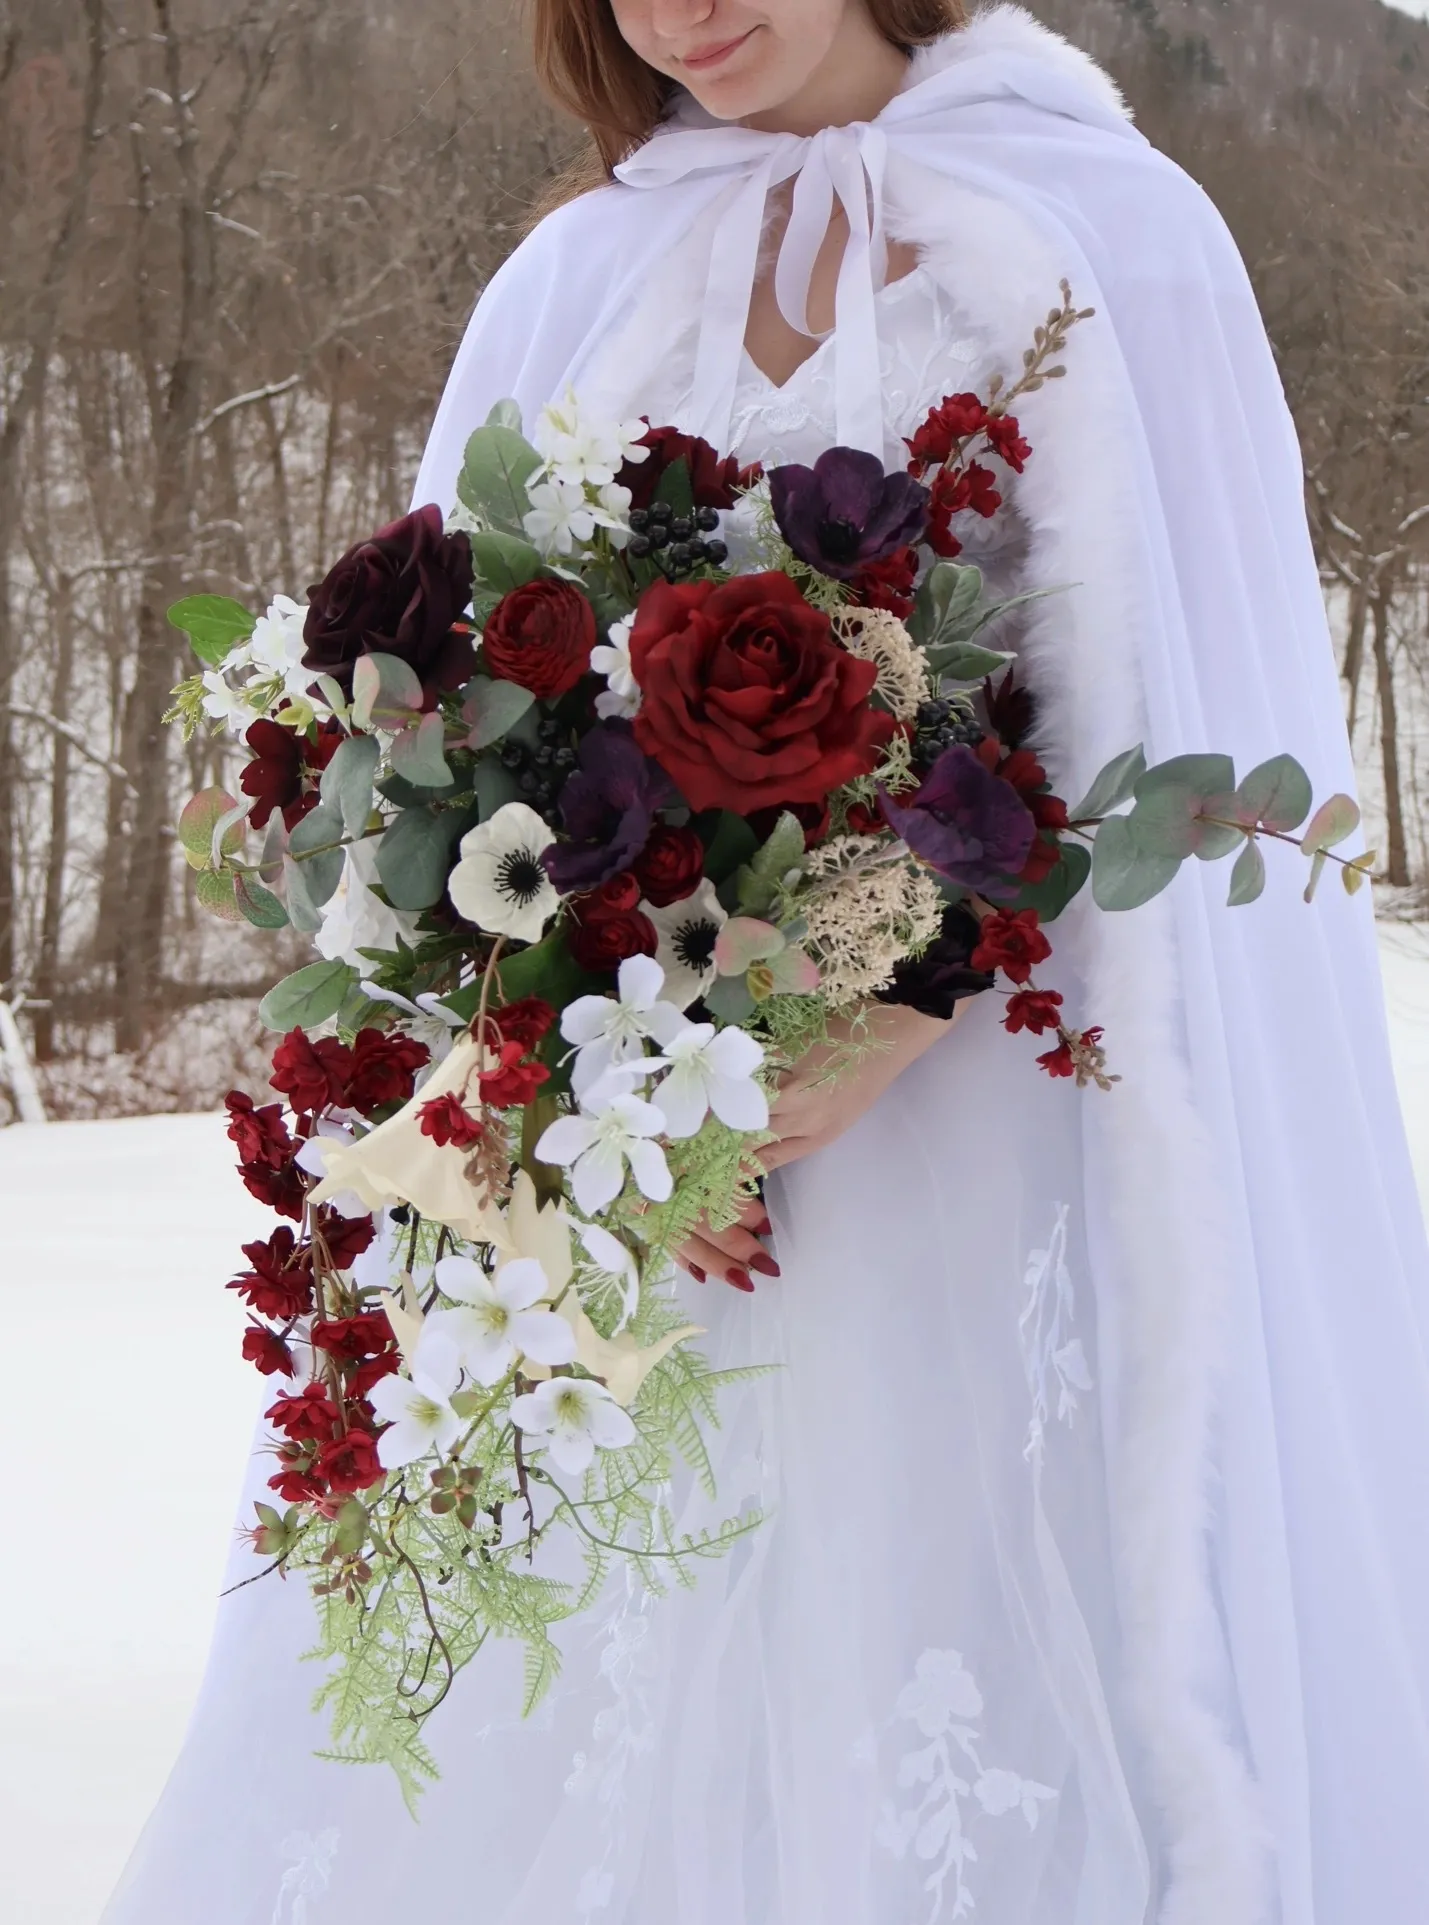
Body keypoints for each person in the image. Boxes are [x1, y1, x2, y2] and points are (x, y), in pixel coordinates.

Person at [103, 5, 1429, 1922]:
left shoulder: (1117, 234)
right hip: (655, 1150)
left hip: (999, 1125)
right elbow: (472, 698)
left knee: (937, 1586)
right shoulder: (585, 261)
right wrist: (573, 1058)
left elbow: (1170, 698)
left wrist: (895, 1007)